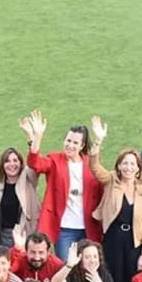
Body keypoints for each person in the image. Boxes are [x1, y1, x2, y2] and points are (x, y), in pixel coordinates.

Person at [87, 119, 142, 282]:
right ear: (118, 166)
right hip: (113, 240)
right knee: (114, 281)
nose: (128, 167)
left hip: (134, 243)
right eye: (124, 163)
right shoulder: (111, 180)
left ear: (138, 168)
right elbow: (94, 166)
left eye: (132, 164)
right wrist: (98, 140)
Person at [22, 110, 99, 259]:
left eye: (75, 142)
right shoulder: (55, 159)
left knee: (88, 269)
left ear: (82, 145)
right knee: (65, 269)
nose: (70, 145)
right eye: (68, 140)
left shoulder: (90, 164)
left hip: (88, 228)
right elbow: (35, 163)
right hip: (64, 229)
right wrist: (37, 137)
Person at [0, 147, 40, 251]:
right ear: (2, 165)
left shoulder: (29, 179)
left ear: (21, 163)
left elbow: (35, 164)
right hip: (5, 235)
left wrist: (33, 141)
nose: (12, 164)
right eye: (7, 161)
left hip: (27, 232)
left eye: (15, 160)